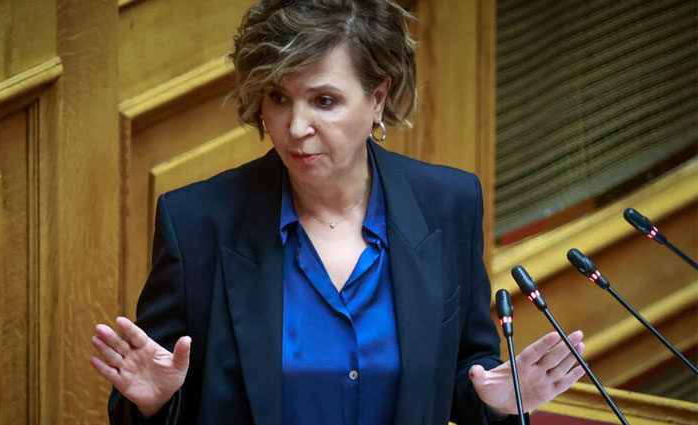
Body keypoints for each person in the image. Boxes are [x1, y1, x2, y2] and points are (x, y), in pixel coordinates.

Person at [90, 1, 587, 424]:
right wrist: (154, 405)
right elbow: (150, 387)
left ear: (378, 98)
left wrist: (495, 401)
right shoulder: (195, 222)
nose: (295, 127)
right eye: (278, 97)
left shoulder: (447, 204)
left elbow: (465, 371)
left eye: (323, 100)